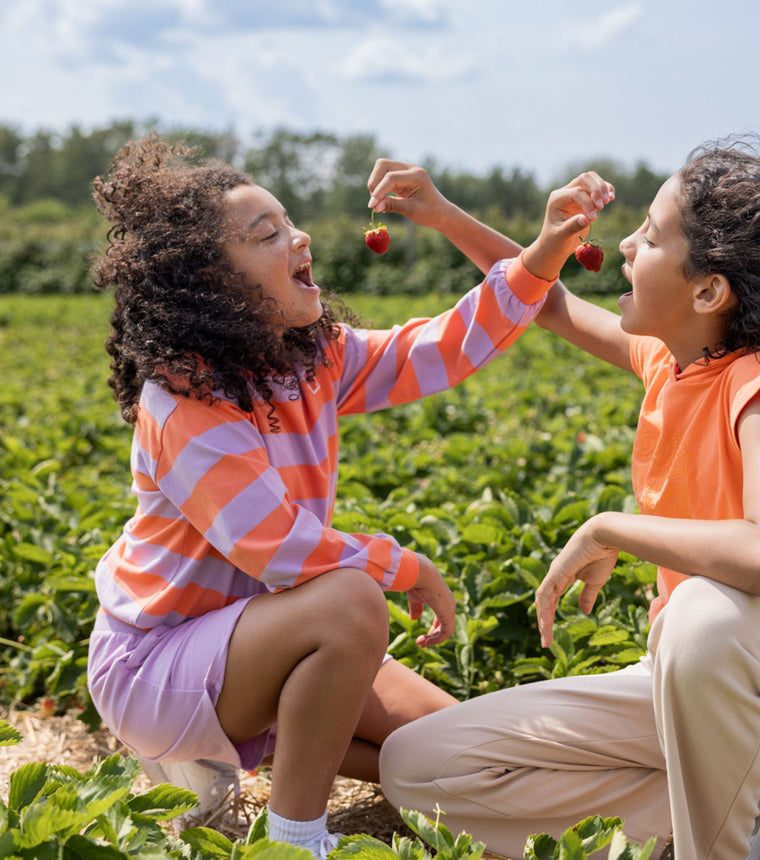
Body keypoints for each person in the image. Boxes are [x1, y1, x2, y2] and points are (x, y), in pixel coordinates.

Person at [85, 135, 610, 859]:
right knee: (351, 599)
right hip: (157, 663)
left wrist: (547, 248)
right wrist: (407, 567)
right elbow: (277, 544)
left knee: (463, 745)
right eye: (267, 234)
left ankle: (268, 748)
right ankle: (298, 841)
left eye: (289, 221)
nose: (298, 237)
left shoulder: (312, 358)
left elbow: (444, 347)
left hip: (260, 636)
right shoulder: (182, 400)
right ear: (212, 282)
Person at [376, 143, 760, 859]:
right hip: (682, 687)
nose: (626, 245)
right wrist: (442, 214)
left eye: (652, 236)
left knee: (704, 615)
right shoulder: (671, 360)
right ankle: (727, 805)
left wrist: (612, 529)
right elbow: (552, 305)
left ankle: (716, 838)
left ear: (708, 293)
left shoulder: (755, 387)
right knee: (416, 768)